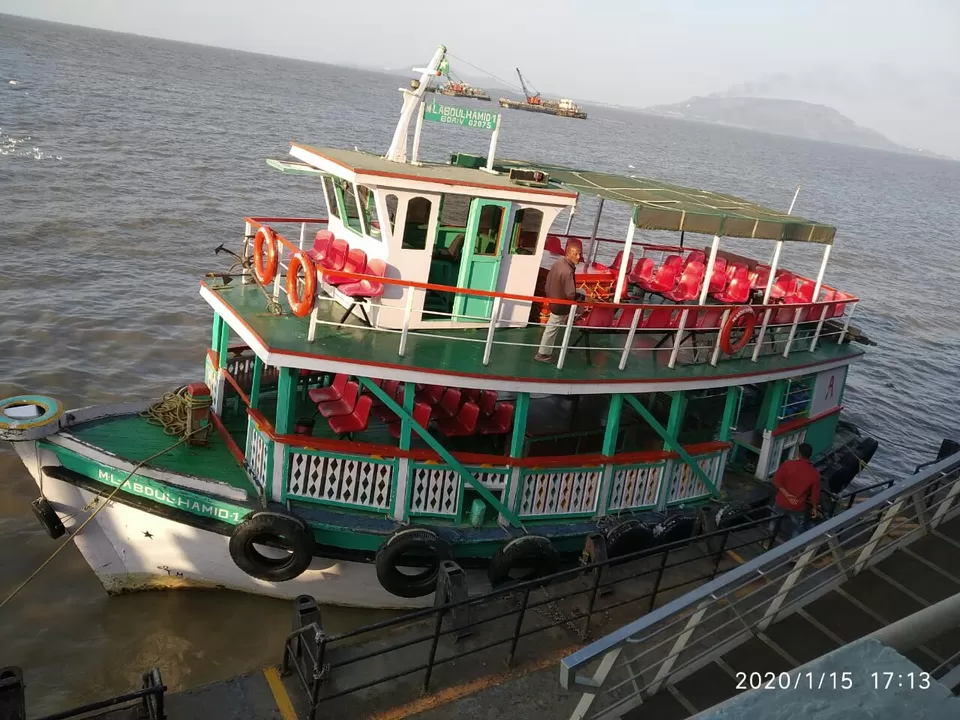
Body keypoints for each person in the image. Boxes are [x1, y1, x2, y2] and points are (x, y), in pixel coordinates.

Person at [535, 239, 583, 363]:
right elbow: (571, 294)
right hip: (560, 304)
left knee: (582, 291)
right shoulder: (568, 271)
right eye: (575, 254)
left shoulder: (559, 262)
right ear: (568, 253)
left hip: (553, 296)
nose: (579, 257)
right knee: (552, 328)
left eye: (580, 254)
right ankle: (543, 354)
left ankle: (574, 315)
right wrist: (583, 299)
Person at [772, 443, 821, 539]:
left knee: (774, 520)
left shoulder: (787, 464)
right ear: (810, 455)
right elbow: (815, 496)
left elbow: (776, 481)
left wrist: (787, 494)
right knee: (797, 528)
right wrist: (814, 508)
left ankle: (768, 540)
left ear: (799, 454)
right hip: (798, 505)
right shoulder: (815, 474)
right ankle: (793, 546)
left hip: (782, 501)